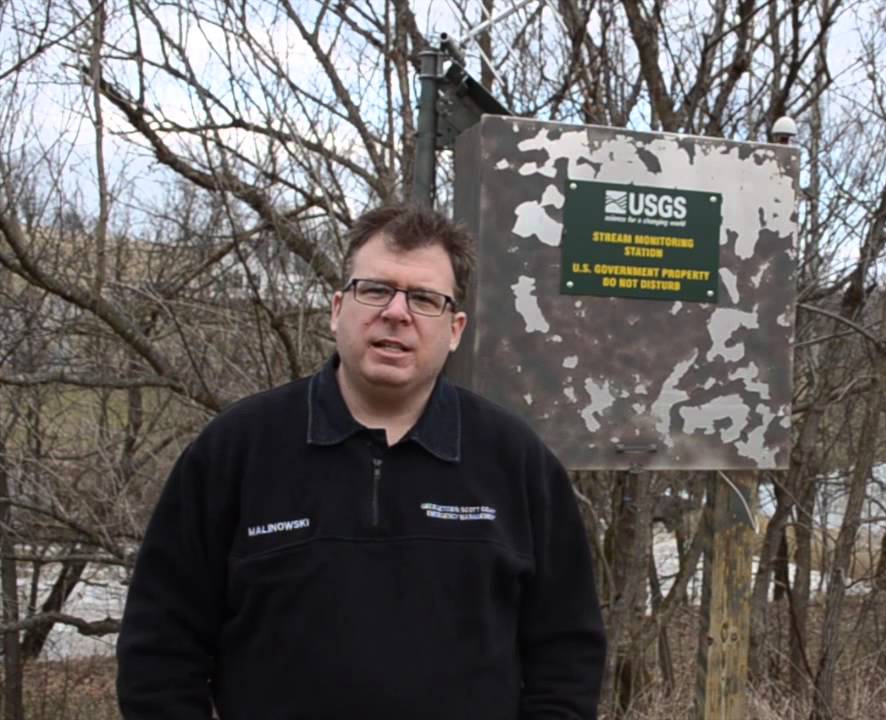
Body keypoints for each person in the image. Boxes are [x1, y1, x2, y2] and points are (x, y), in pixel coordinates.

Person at [116, 206, 606, 719]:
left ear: (455, 329)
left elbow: (566, 659)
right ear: (336, 309)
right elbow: (159, 653)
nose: (397, 312)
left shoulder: (516, 462)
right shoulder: (237, 450)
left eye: (424, 299)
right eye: (375, 290)